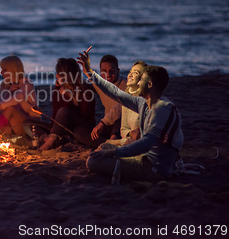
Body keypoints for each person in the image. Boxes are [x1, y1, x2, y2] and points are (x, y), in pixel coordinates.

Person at [78, 51, 183, 181]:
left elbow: (146, 143)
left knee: (93, 162)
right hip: (141, 154)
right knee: (103, 148)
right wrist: (89, 71)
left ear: (150, 85)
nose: (137, 83)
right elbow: (115, 92)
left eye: (141, 80)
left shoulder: (161, 109)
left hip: (152, 166)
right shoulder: (143, 102)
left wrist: (114, 152)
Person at [38, 58, 96, 150]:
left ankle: (50, 143)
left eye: (59, 74)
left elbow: (81, 116)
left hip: (80, 128)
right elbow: (55, 112)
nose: (56, 76)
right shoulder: (59, 88)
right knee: (29, 124)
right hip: (61, 127)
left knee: (63, 111)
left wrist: (66, 94)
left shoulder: (86, 90)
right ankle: (53, 138)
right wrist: (53, 128)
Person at [0, 55, 40, 135]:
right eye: (1, 69)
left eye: (4, 70)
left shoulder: (26, 83)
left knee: (10, 109)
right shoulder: (4, 85)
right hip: (12, 124)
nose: (1, 73)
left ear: (12, 71)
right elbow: (1, 110)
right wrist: (8, 92)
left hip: (30, 126)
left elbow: (19, 97)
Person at [105, 61, 148, 147]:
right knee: (103, 147)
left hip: (143, 144)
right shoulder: (126, 98)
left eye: (135, 73)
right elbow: (123, 130)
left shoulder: (148, 100)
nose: (130, 75)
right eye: (130, 72)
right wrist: (131, 133)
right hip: (129, 140)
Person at [89, 55, 127, 142]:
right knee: (80, 132)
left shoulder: (127, 85)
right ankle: (109, 143)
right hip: (108, 125)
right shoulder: (100, 84)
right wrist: (60, 84)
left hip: (124, 126)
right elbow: (80, 83)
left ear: (118, 71)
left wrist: (102, 123)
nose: (108, 75)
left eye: (112, 71)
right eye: (104, 71)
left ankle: (113, 139)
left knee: (122, 114)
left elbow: (120, 107)